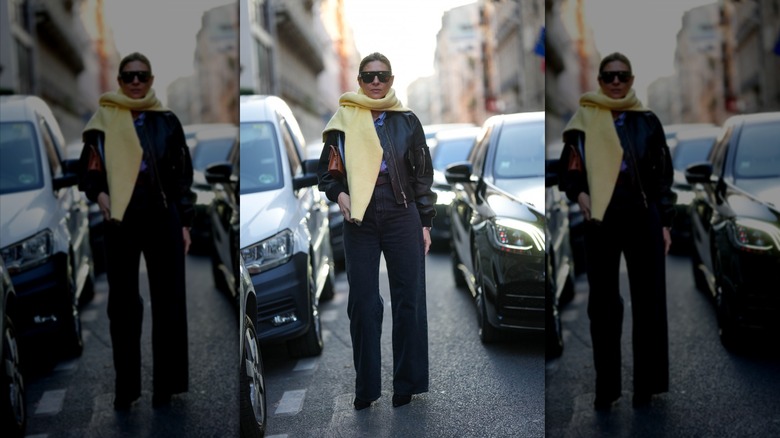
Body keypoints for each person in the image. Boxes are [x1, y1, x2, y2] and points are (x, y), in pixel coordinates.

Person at [316, 52, 436, 410]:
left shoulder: (407, 120)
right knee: (364, 304)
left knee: (409, 299)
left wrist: (426, 222)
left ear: (392, 79)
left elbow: (422, 175)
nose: (375, 82)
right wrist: (340, 195)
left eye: (382, 75)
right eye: (368, 76)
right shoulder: (342, 121)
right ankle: (366, 388)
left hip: (402, 213)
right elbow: (327, 173)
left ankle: (408, 384)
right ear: (359, 81)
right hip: (360, 218)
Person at [557, 52, 676, 410]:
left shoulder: (647, 120)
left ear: (632, 79)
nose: (615, 82)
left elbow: (662, 176)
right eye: (608, 76)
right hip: (602, 219)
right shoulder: (584, 119)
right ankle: (606, 389)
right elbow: (569, 170)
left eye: (622, 76)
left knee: (649, 302)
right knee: (604, 307)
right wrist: (579, 193)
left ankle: (647, 387)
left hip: (643, 217)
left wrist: (666, 222)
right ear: (599, 80)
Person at [78, 52, 195, 410]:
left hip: (163, 216)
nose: (135, 82)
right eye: (128, 76)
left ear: (151, 79)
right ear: (119, 80)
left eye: (141, 76)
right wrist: (99, 194)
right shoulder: (103, 120)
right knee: (123, 306)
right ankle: (126, 389)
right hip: (121, 219)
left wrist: (186, 222)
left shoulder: (167, 120)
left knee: (169, 302)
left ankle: (167, 386)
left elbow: (181, 175)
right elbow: (89, 170)